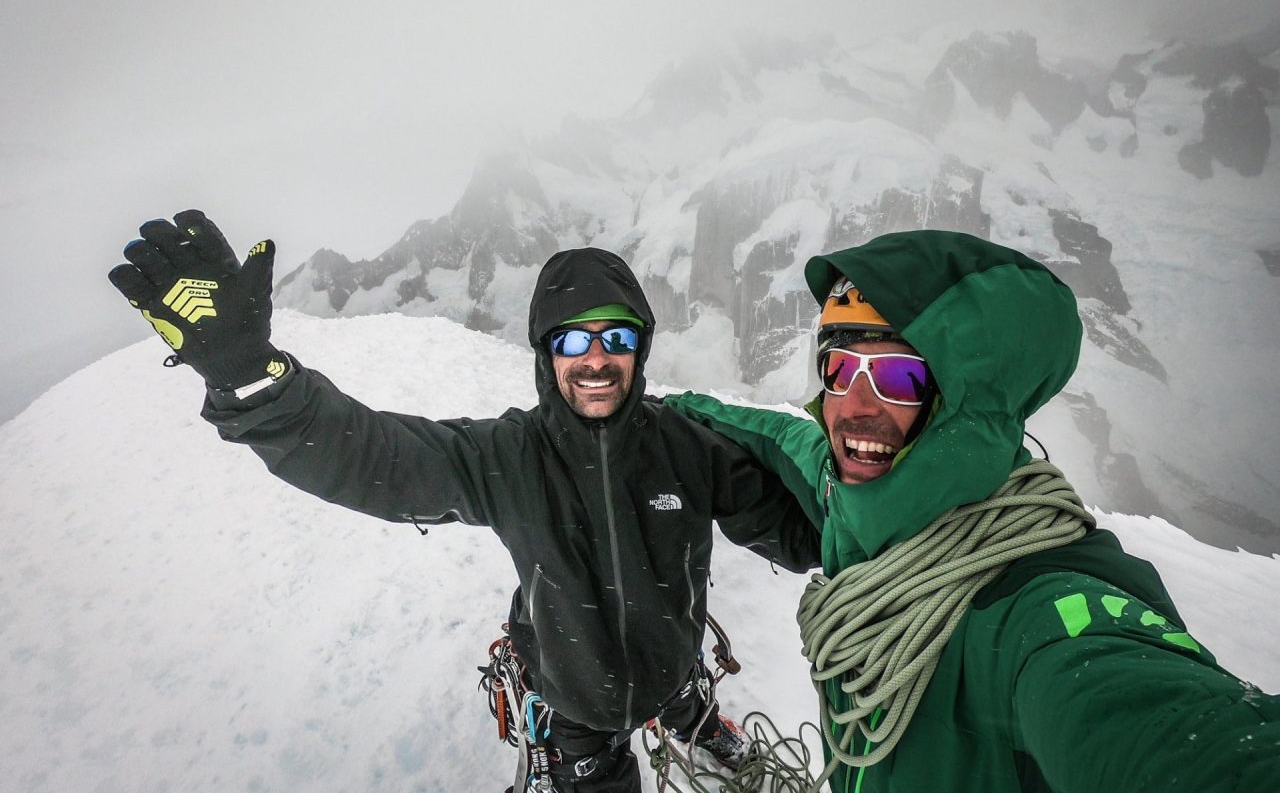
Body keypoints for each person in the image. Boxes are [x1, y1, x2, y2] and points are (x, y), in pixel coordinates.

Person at [107, 209, 821, 793]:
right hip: (574, 702)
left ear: (640, 347)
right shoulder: (508, 457)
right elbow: (373, 456)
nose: (596, 357)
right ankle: (654, 724)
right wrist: (252, 381)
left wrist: (877, 509)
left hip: (670, 666)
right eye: (574, 339)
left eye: (616, 337)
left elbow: (794, 534)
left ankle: (688, 713)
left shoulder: (691, 447)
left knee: (675, 686)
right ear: (547, 352)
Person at [667, 229, 1280, 793]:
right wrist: (668, 410)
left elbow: (1161, 727)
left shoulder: (1039, 615)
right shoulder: (855, 492)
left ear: (964, 404)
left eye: (899, 378)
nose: (853, 406)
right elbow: (781, 437)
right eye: (839, 369)